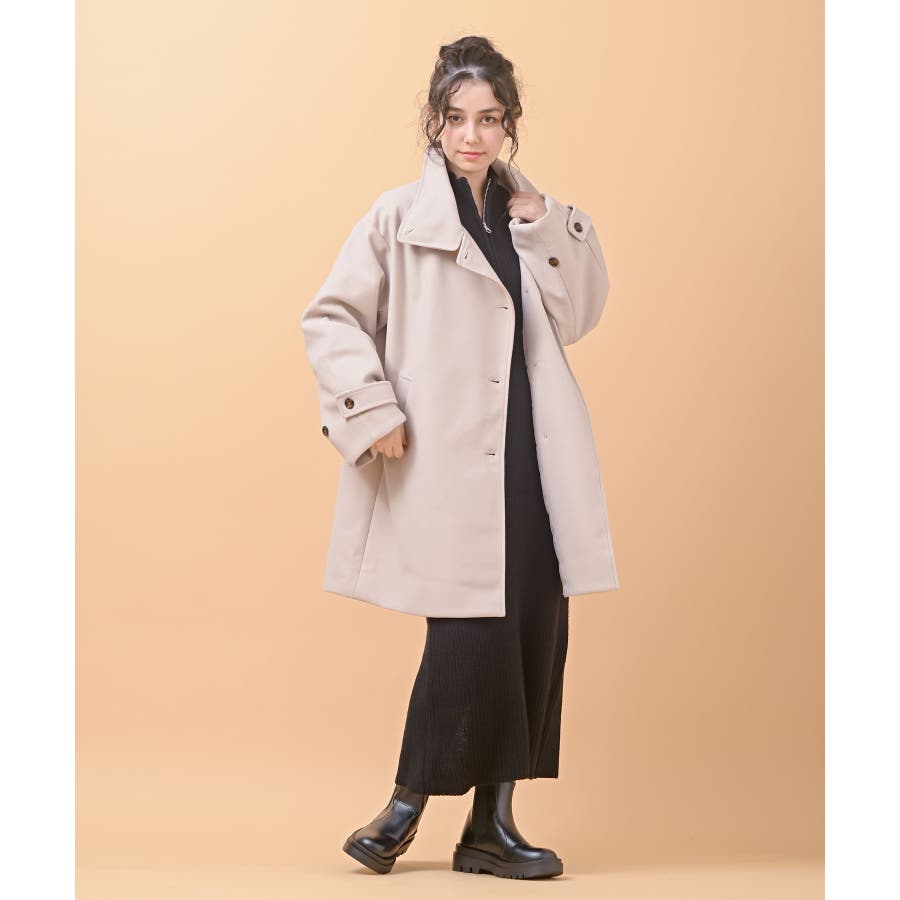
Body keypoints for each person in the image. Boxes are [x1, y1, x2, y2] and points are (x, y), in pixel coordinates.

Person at [300, 35, 618, 880]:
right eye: (456, 118)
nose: (472, 135)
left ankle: (492, 824)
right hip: (445, 454)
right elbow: (331, 317)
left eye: (489, 119)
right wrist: (372, 409)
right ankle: (403, 807)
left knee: (534, 621)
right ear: (434, 124)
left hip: (531, 450)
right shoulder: (398, 218)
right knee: (469, 629)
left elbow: (581, 314)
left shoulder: (527, 217)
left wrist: (547, 227)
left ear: (510, 125)